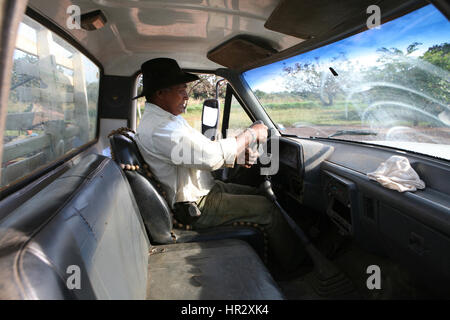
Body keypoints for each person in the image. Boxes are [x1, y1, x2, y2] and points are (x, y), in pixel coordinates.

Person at [134, 58, 308, 276]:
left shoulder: (167, 120)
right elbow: (208, 156)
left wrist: (235, 155)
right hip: (195, 206)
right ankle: (299, 271)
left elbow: (198, 151)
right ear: (160, 93)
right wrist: (251, 134)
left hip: (203, 190)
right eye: (181, 90)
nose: (187, 96)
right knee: (268, 210)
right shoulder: (161, 127)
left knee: (261, 195)